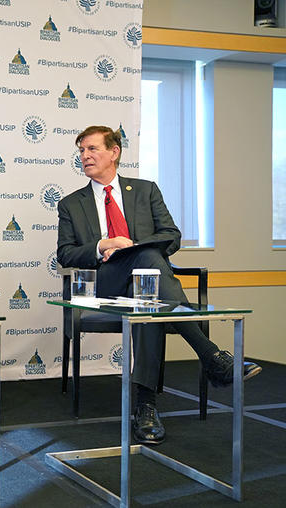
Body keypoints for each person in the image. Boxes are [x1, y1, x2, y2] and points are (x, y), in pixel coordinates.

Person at [57, 125, 262, 445]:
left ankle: (146, 407)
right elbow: (66, 253)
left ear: (114, 152)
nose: (85, 155)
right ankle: (212, 359)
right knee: (151, 266)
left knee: (148, 294)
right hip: (106, 283)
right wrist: (103, 244)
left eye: (92, 149)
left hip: (146, 284)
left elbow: (172, 235)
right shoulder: (72, 203)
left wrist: (135, 249)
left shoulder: (145, 190)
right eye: (81, 150)